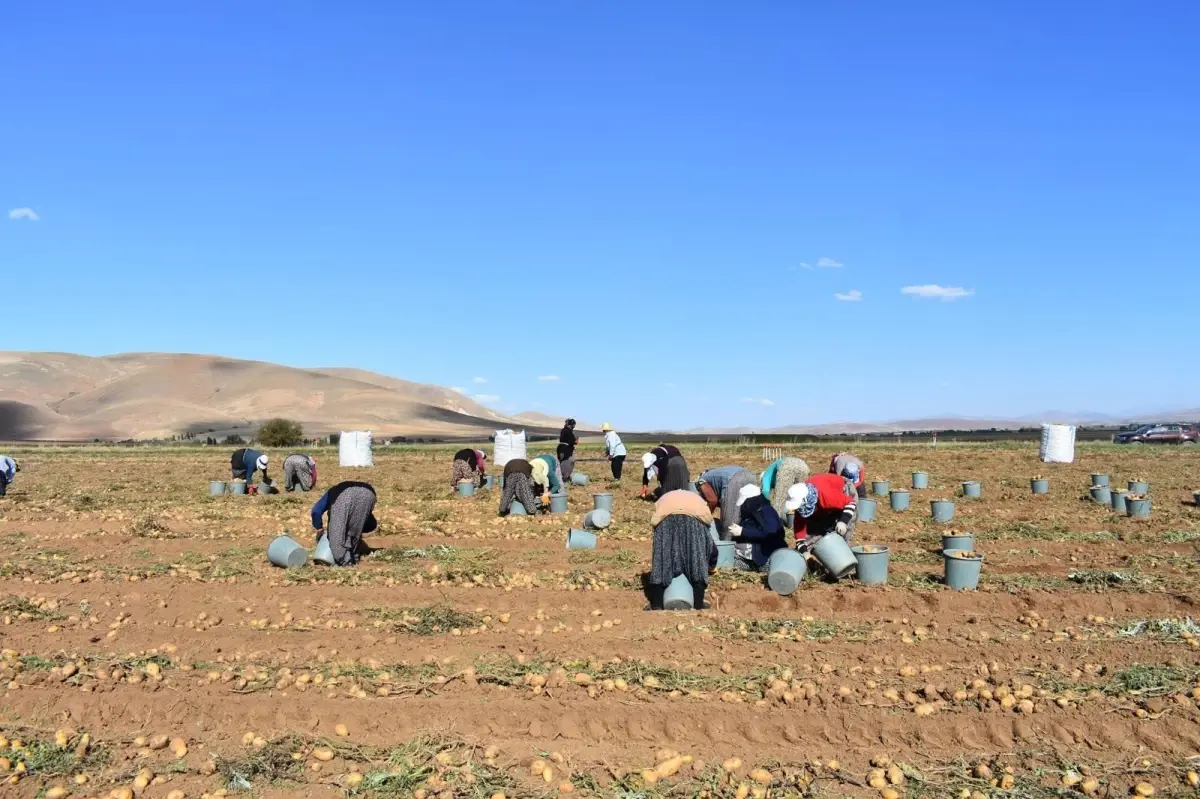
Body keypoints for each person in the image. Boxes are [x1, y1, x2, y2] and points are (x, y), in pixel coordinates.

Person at [646, 489, 716, 611]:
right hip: (694, 520)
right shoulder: (699, 502)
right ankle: (698, 605)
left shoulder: (666, 497)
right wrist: (710, 565)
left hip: (665, 518)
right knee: (696, 561)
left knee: (662, 559)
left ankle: (656, 604)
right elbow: (712, 549)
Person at [311, 481, 378, 566]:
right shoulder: (336, 490)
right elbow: (370, 523)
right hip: (369, 493)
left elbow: (316, 511)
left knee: (335, 535)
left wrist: (319, 527)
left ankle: (346, 563)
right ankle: (354, 556)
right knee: (354, 529)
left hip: (344, 495)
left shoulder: (332, 493)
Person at [785, 473, 858, 549]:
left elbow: (851, 503)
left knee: (844, 529)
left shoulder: (826, 495)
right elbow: (800, 530)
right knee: (813, 531)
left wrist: (843, 522)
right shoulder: (801, 505)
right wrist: (803, 549)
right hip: (823, 501)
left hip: (844, 489)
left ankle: (844, 552)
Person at [726, 484, 786, 571]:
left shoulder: (767, 511)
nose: (743, 506)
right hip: (759, 550)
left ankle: (756, 566)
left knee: (730, 554)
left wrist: (743, 531)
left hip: (766, 553)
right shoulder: (756, 510)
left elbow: (770, 533)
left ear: (749, 500)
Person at [695, 465, 756, 536]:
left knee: (729, 525)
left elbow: (712, 500)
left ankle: (727, 545)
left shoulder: (701, 481)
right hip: (750, 477)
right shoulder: (715, 475)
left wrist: (706, 516)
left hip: (733, 480)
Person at [760, 456, 811, 525]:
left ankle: (773, 524)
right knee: (800, 495)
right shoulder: (774, 469)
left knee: (779, 501)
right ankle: (803, 522)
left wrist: (765, 504)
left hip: (787, 465)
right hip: (803, 465)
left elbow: (765, 490)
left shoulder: (765, 475)